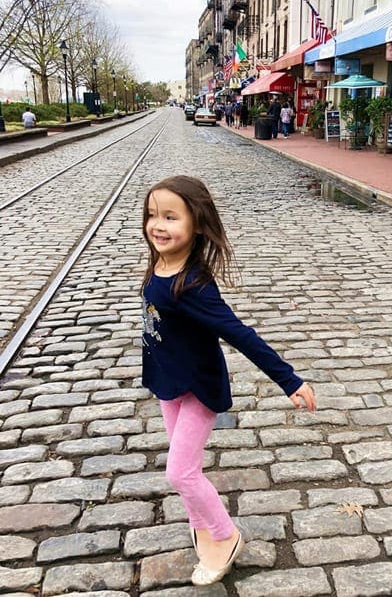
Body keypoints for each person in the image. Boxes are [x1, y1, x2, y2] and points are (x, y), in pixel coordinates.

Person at [141, 175, 317, 584]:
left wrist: (289, 380)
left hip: (198, 386)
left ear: (197, 224)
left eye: (170, 217)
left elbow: (240, 334)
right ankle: (200, 523)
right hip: (168, 382)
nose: (158, 225)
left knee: (180, 472)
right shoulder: (161, 262)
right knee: (185, 466)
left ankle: (225, 534)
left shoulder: (195, 286)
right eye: (152, 215)